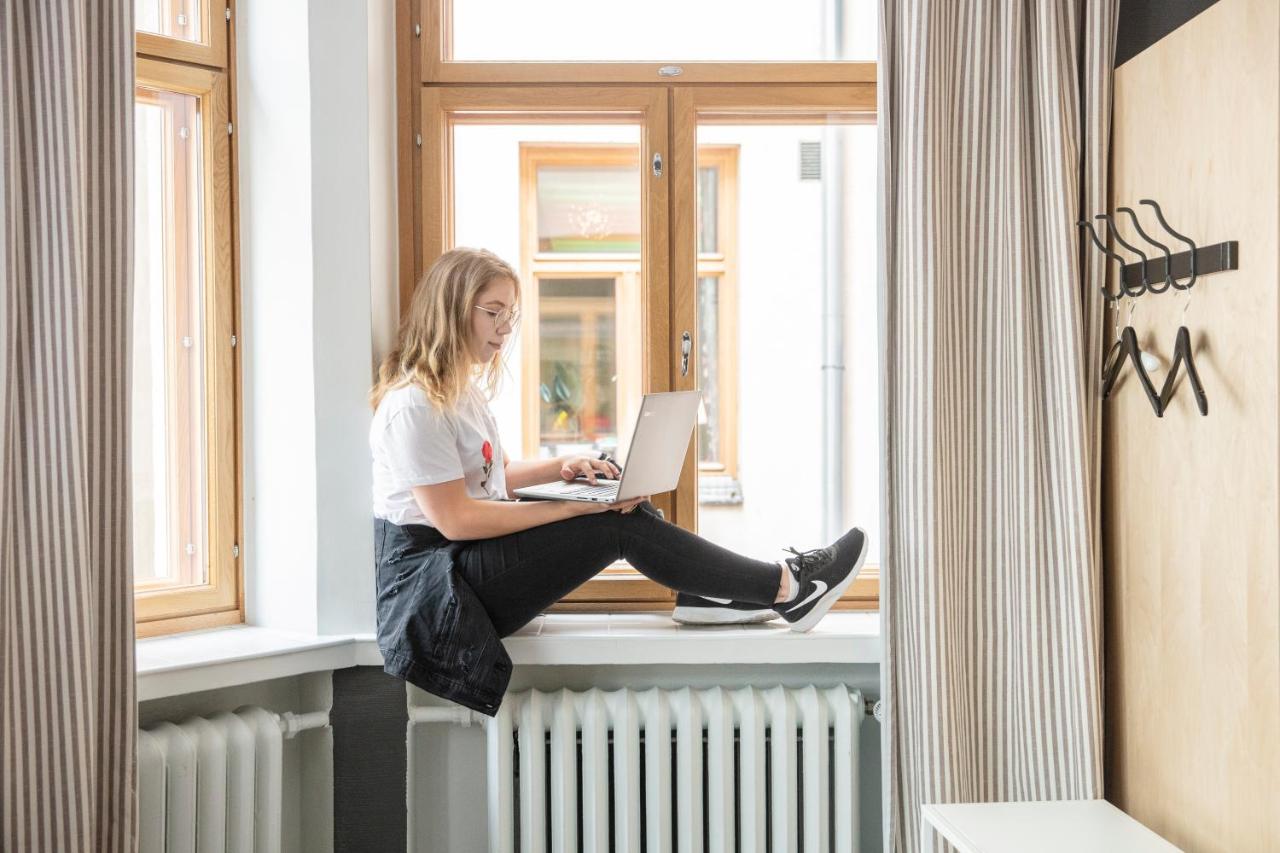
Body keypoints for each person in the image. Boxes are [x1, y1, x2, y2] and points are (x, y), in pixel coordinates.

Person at [369, 247, 868, 714]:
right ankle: (788, 588)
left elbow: (492, 477)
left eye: (510, 315)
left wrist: (568, 467)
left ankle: (710, 596)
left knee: (626, 507)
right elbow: (457, 519)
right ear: (452, 309)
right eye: (493, 311)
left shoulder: (463, 394)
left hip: (461, 564)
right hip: (435, 584)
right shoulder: (414, 405)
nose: (504, 328)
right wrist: (572, 508)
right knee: (612, 524)